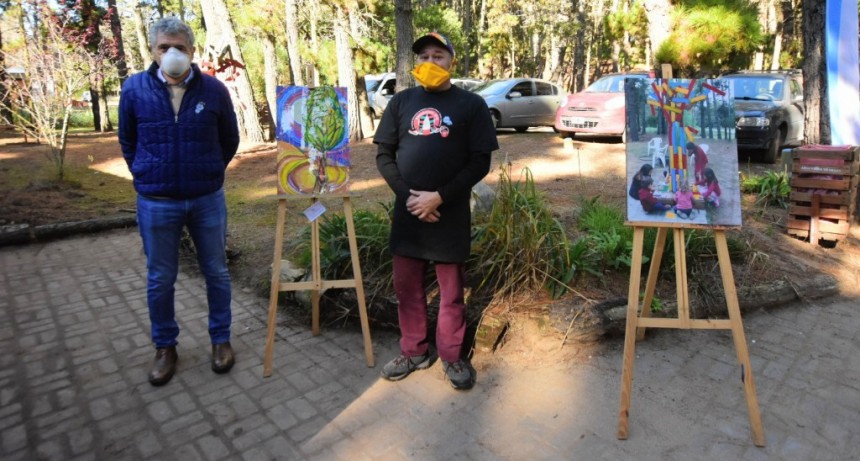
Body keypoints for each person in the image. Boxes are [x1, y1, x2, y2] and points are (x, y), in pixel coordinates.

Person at [118, 17, 240, 386]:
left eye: (180, 47)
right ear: (153, 51)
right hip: (156, 201)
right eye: (164, 47)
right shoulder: (134, 89)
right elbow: (128, 141)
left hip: (206, 199)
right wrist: (145, 173)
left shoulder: (214, 90)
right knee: (160, 278)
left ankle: (221, 340)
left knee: (217, 272)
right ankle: (165, 347)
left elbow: (229, 140)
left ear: (191, 51)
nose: (172, 54)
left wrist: (206, 172)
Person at [374, 32, 499, 390]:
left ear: (452, 62)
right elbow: (383, 155)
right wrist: (410, 198)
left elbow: (480, 162)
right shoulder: (401, 103)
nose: (431, 63)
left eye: (439, 56)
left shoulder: (471, 105)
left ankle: (452, 355)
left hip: (450, 213)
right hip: (408, 215)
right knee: (408, 289)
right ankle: (414, 351)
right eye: (424, 56)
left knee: (452, 293)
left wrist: (439, 197)